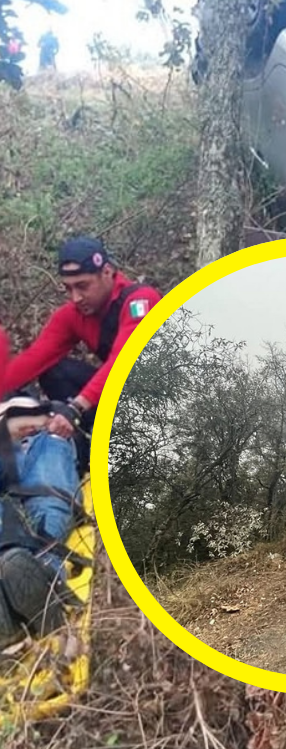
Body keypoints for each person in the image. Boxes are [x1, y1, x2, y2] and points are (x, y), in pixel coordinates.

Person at [1, 237, 161, 473]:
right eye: (68, 288)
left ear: (107, 272)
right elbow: (32, 360)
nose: (75, 297)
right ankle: (87, 454)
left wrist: (75, 408)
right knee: (55, 371)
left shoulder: (140, 302)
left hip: (160, 405)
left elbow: (124, 362)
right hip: (121, 400)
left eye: (83, 286)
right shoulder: (72, 315)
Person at [0, 394, 85, 647]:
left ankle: (42, 578)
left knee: (44, 521)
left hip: (44, 463)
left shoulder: (50, 420)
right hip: (6, 492)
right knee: (10, 551)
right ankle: (10, 622)